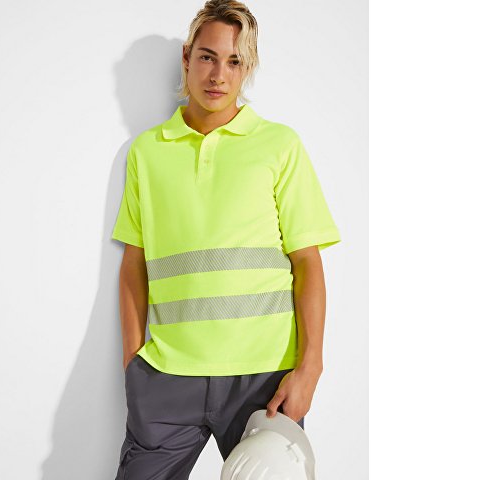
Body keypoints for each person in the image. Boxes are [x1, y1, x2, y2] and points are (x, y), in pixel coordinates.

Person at [111, 1, 341, 478]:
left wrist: (310, 368)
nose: (218, 75)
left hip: (264, 380)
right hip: (167, 378)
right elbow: (134, 263)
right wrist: (133, 364)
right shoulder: (147, 152)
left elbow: (308, 263)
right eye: (207, 57)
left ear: (247, 68)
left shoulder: (279, 145)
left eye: (235, 61)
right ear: (187, 58)